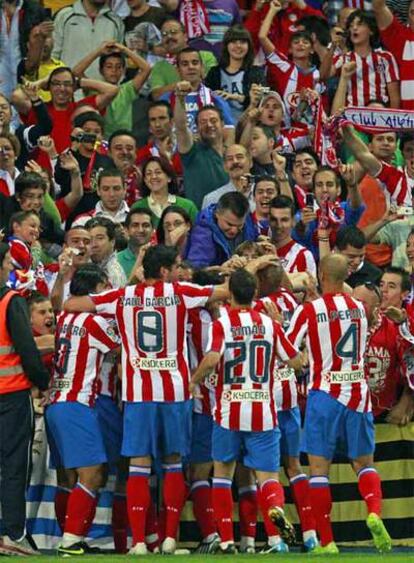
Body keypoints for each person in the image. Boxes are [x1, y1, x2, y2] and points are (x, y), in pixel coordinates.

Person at [64, 244, 230, 555]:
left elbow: (74, 304)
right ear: (165, 271)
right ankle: (169, 539)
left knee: (138, 466)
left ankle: (138, 542)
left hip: (138, 394)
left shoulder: (123, 296)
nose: (179, 270)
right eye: (176, 266)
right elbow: (223, 292)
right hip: (175, 393)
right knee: (173, 464)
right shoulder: (181, 292)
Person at [190, 267, 302, 554]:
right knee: (268, 478)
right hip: (263, 410)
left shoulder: (222, 324)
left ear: (230, 293)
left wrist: (194, 380)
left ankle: (227, 540)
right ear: (255, 293)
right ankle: (277, 534)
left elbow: (213, 358)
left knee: (223, 475)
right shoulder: (269, 324)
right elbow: (295, 361)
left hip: (229, 410)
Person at [286, 253, 392, 555]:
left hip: (325, 394)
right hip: (358, 393)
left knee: (319, 471)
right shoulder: (360, 308)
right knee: (364, 464)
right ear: (347, 276)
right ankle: (373, 511)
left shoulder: (309, 310)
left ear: (320, 273)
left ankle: (328, 542)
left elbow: (290, 347)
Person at [45, 265, 120, 557]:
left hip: (56, 403)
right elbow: (121, 347)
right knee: (92, 474)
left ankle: (71, 536)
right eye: (104, 289)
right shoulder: (92, 322)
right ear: (94, 290)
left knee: (68, 479)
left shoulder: (62, 318)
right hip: (76, 403)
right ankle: (70, 540)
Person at [0, 242, 50, 557]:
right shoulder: (9, 301)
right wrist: (42, 382)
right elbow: (27, 350)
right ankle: (14, 534)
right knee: (14, 465)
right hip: (11, 395)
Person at [72, 40, 151, 137]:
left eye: (118, 67)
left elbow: (146, 68)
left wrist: (124, 49)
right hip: (99, 139)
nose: (114, 71)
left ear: (123, 70)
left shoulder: (127, 89)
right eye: (109, 67)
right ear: (101, 70)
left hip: (123, 139)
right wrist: (98, 51)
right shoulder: (94, 87)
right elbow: (76, 72)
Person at [259, 1, 323, 108]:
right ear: (290, 49)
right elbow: (262, 37)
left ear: (312, 49)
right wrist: (272, 10)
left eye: (305, 42)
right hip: (286, 123)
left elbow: (321, 22)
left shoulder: (318, 74)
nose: (300, 45)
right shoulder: (283, 65)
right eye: (296, 42)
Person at [160, 48, 235, 135]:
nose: (191, 67)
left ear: (202, 68)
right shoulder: (166, 99)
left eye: (195, 63)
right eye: (185, 64)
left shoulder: (215, 98)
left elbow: (229, 131)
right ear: (178, 70)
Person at [174, 91, 229, 208]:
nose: (209, 125)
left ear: (223, 123)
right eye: (203, 122)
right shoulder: (192, 152)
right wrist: (180, 98)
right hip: (201, 220)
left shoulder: (231, 154)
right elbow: (181, 127)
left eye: (213, 120)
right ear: (197, 128)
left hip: (229, 219)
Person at [205, 25, 266, 121]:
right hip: (221, 126)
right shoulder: (214, 73)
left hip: (249, 124)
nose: (238, 46)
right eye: (233, 42)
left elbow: (264, 100)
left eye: (243, 42)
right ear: (226, 45)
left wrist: (237, 98)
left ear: (248, 46)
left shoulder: (256, 73)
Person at [52, 0, 124, 80]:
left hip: (104, 90)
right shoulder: (64, 16)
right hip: (69, 88)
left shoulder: (116, 21)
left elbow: (120, 61)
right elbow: (53, 56)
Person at [186, 191, 258, 268]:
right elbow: (196, 269)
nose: (234, 230)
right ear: (217, 214)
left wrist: (259, 244)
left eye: (239, 225)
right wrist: (222, 269)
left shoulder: (247, 218)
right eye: (229, 224)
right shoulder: (203, 231)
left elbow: (253, 239)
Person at [150, 18, 217, 100]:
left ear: (185, 36)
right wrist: (181, 85)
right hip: (174, 110)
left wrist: (172, 87)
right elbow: (156, 95)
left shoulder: (206, 56)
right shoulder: (159, 67)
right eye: (164, 34)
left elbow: (212, 84)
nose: (169, 36)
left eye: (173, 32)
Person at [131, 156, 198, 226]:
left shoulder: (188, 206)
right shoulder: (137, 207)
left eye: (158, 172)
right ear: (145, 180)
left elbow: (198, 235)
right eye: (148, 174)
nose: (153, 177)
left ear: (169, 177)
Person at [372, 0, 414, 109]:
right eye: (413, 13)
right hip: (409, 122)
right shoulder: (400, 38)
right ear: (408, 16)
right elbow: (378, 7)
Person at [269, 195, 317, 276]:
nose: (279, 225)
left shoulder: (303, 255)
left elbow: (311, 287)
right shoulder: (259, 250)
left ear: (293, 221)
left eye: (284, 220)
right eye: (274, 220)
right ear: (268, 219)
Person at [201, 144, 252, 209]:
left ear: (250, 162)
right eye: (230, 159)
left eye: (239, 157)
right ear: (224, 166)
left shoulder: (264, 193)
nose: (235, 161)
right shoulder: (212, 199)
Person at [86, 216, 127, 288]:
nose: (93, 244)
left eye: (100, 238)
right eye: (89, 239)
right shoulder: (84, 263)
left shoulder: (114, 274)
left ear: (112, 242)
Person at [117, 208, 155, 278]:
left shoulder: (163, 258)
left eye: (146, 225)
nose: (140, 230)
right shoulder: (116, 261)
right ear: (126, 230)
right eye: (135, 225)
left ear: (153, 230)